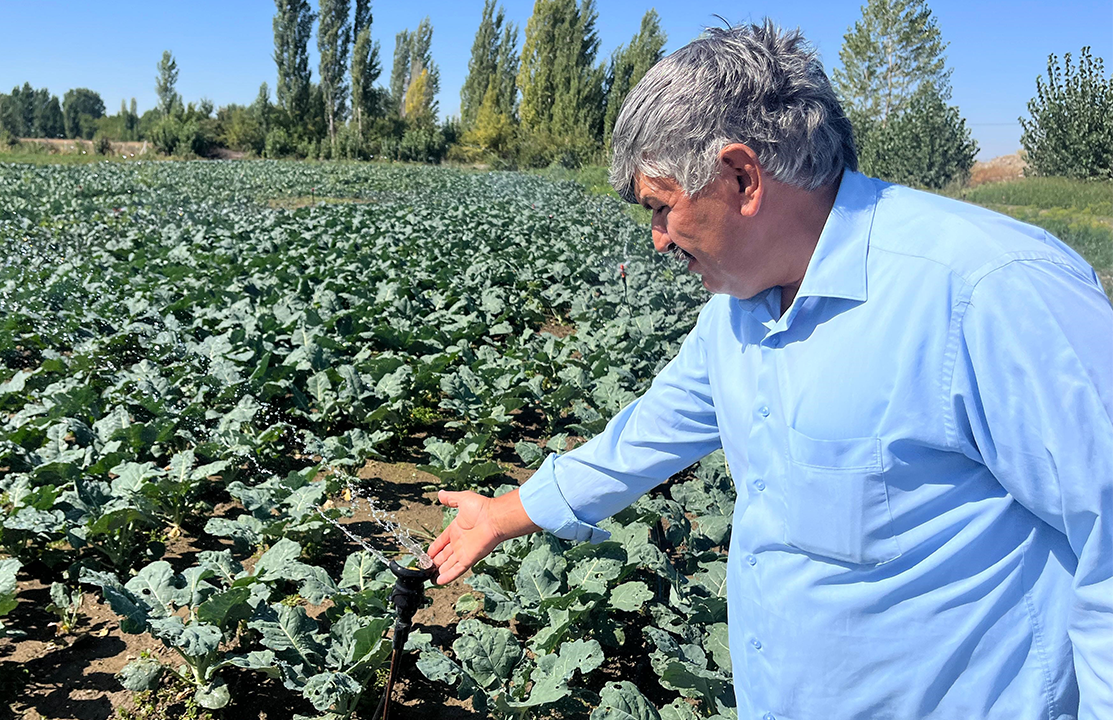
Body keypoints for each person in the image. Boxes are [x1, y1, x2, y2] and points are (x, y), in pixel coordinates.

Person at [425, 20, 1113, 720]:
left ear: (742, 177)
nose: (657, 240)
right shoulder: (743, 307)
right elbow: (648, 434)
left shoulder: (987, 290)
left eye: (660, 208)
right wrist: (503, 516)